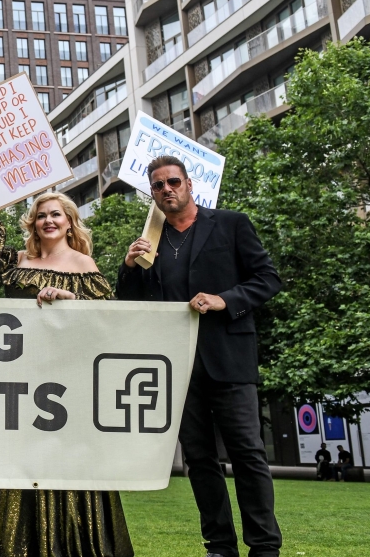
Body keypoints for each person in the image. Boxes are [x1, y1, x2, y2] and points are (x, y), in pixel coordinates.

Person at [118, 155, 283, 557]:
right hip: (177, 367)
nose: (166, 190)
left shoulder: (230, 223)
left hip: (228, 359)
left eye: (172, 182)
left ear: (189, 184)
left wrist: (224, 300)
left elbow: (267, 279)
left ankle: (264, 546)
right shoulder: (150, 242)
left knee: (247, 454)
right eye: (157, 186)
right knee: (200, 460)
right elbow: (129, 302)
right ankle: (220, 546)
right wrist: (129, 267)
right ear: (152, 194)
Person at [0, 183, 133, 557]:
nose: (48, 220)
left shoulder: (84, 266)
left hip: (68, 377)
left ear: (70, 222)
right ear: (33, 223)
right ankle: (21, 544)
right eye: (41, 215)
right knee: (25, 456)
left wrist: (70, 300)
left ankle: (79, 543)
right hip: (22, 375)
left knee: (69, 455)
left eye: (55, 214)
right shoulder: (18, 264)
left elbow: (107, 319)